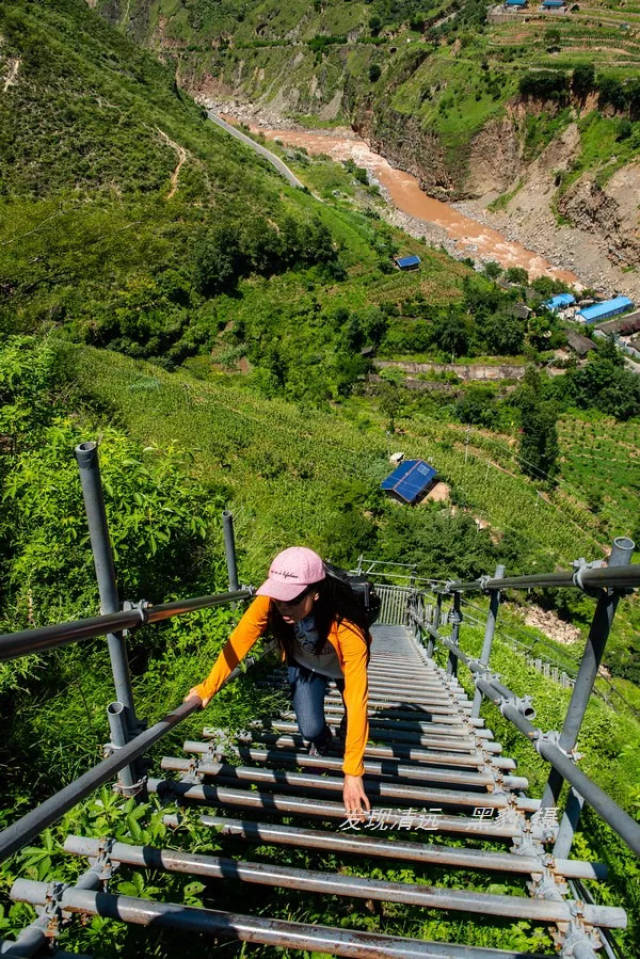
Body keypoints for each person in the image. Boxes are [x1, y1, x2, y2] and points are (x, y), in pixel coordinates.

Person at [186, 546, 371, 818]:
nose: (283, 607)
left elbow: (358, 700)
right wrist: (207, 688)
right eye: (279, 598)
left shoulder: (347, 627)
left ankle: (346, 734)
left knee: (352, 711)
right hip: (304, 663)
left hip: (341, 668)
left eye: (293, 600)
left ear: (315, 593)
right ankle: (323, 740)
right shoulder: (271, 602)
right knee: (309, 729)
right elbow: (239, 641)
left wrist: (352, 772)